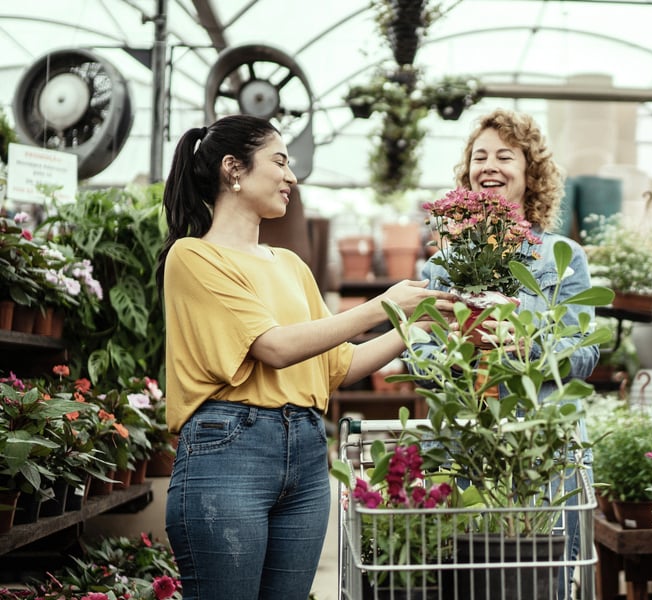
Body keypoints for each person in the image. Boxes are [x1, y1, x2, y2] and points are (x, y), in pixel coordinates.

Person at [155, 114, 457, 600]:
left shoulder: (291, 265)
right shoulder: (193, 257)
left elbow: (341, 366)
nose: (291, 176)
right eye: (279, 161)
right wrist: (384, 305)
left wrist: (417, 323)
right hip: (230, 451)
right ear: (233, 169)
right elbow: (273, 347)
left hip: (309, 453)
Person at [414, 107, 600, 598]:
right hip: (466, 440)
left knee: (544, 580)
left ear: (529, 171)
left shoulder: (560, 257)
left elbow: (582, 353)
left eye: (504, 155)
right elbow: (419, 359)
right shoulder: (441, 267)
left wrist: (529, 343)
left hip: (542, 443)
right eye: (479, 157)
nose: (489, 166)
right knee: (466, 579)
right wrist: (456, 351)